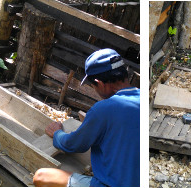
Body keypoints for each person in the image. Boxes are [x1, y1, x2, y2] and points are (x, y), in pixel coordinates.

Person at [32, 49, 139, 187]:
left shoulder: (102, 109)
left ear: (99, 83)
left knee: (41, 176)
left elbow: (74, 145)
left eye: (93, 86)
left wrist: (57, 134)